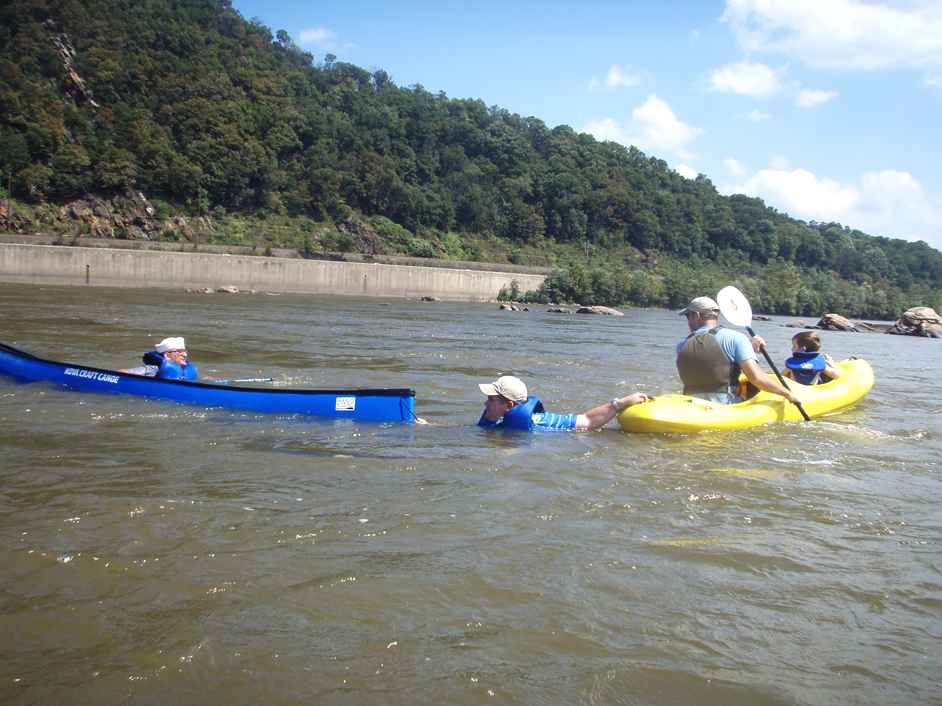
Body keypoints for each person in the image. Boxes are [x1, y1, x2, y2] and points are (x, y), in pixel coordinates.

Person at [676, 296, 800, 405]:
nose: (688, 321)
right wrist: (787, 393)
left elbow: (707, 363)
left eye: (688, 316)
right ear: (717, 315)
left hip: (691, 404)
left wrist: (749, 348)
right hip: (724, 405)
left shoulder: (682, 345)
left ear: (697, 315)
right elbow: (757, 379)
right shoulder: (736, 338)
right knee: (755, 388)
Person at [477, 375, 649, 431]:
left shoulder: (537, 421)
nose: (485, 404)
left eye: (491, 400)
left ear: (509, 405)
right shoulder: (500, 419)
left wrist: (622, 403)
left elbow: (587, 421)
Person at [119, 337, 199, 380]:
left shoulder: (190, 368)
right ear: (167, 354)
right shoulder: (154, 369)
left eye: (184, 351)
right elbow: (121, 373)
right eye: (179, 351)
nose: (184, 354)